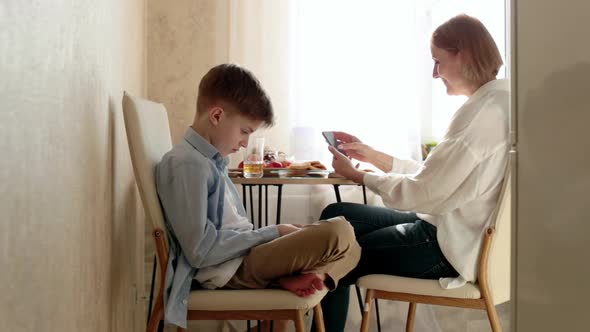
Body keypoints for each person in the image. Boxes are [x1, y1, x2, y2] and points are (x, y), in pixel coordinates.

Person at [319, 14, 509, 331]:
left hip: (445, 247)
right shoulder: (496, 102)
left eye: (438, 61)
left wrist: (358, 176)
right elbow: (434, 177)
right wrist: (372, 156)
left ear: (464, 54)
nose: (435, 74)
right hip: (446, 228)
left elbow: (423, 192)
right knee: (337, 214)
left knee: (329, 253)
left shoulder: (483, 114)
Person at [155, 64, 361, 330]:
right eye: (245, 131)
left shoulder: (211, 162)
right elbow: (199, 252)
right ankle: (290, 276)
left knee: (353, 244)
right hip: (228, 267)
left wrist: (272, 235)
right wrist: (273, 232)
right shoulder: (187, 164)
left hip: (245, 256)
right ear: (217, 115)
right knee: (340, 230)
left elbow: (232, 231)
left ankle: (295, 276)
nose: (244, 142)